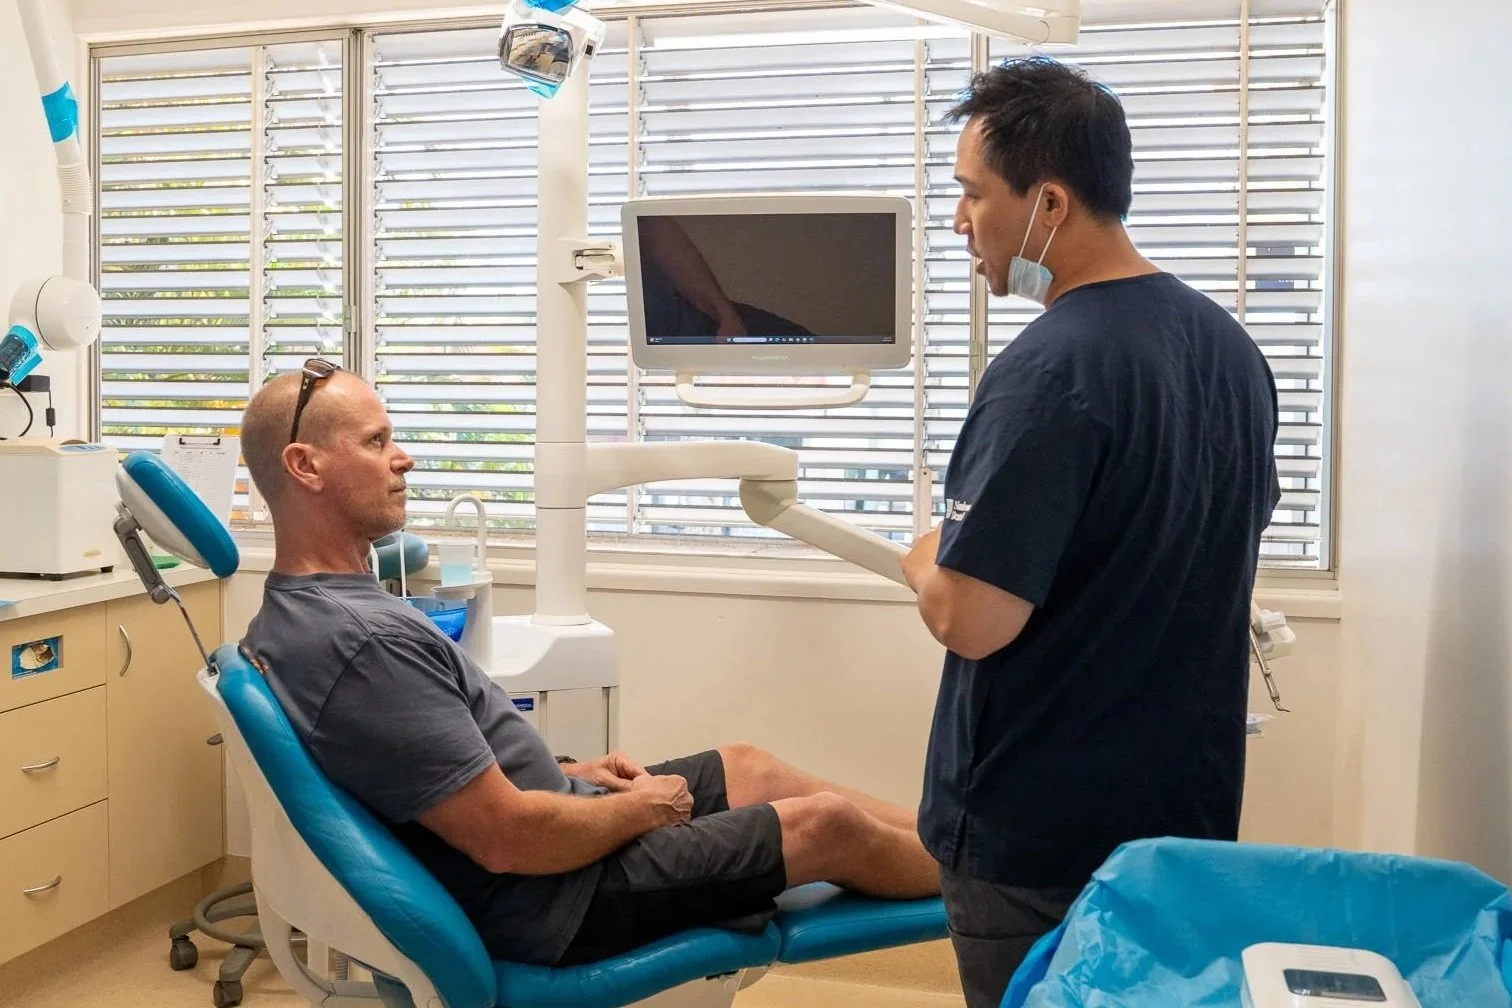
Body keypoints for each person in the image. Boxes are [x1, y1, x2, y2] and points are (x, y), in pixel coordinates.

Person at [236, 362, 939, 968]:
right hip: (554, 898)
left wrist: (575, 775)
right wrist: (638, 811)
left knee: (748, 767)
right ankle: (994, 880)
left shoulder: (299, 613)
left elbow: (419, 774)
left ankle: (954, 843)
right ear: (306, 466)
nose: (404, 458)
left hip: (554, 839)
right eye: (377, 442)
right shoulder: (362, 642)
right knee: (824, 826)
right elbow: (507, 838)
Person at [900, 57, 1281, 1008]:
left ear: (1050, 205)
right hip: (1181, 823)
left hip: (1041, 839)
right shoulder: (1230, 351)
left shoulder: (1049, 370)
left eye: (972, 196)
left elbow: (974, 619)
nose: (960, 225)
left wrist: (922, 564)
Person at [637, 216, 815, 344]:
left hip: (698, 319)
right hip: (663, 344)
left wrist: (726, 317)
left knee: (808, 345)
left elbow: (655, 229)